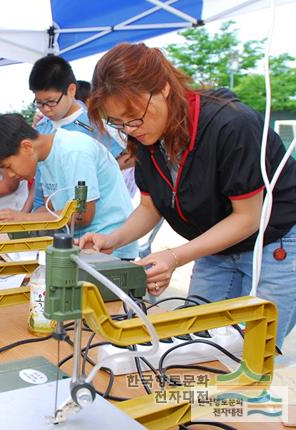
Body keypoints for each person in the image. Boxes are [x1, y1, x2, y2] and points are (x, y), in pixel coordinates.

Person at [79, 42, 296, 348]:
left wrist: (174, 257)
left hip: (274, 241)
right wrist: (111, 240)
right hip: (216, 244)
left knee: (256, 349)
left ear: (164, 88)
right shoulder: (146, 135)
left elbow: (247, 218)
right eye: (119, 122)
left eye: (133, 115)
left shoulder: (231, 124)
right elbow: (150, 207)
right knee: (194, 341)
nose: (130, 129)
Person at [0, 114, 137, 260]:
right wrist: (11, 222)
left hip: (109, 249)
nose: (11, 175)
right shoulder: (44, 159)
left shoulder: (73, 150)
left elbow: (82, 215)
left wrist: (24, 218)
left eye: (8, 166)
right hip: (81, 245)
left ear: (27, 147)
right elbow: (50, 211)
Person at [27, 55, 137, 214]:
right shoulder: (42, 127)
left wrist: (97, 170)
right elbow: (39, 179)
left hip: (85, 216)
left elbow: (131, 156)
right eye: (39, 103)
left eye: (50, 102)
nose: (45, 109)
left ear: (71, 90)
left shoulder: (94, 124)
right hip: (46, 213)